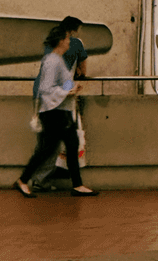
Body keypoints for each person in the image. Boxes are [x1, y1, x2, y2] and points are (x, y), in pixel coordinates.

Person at [16, 25, 98, 198]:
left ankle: (76, 184)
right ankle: (24, 180)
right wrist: (67, 91)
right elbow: (47, 88)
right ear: (61, 41)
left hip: (58, 111)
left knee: (63, 145)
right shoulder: (53, 61)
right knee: (51, 148)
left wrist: (73, 86)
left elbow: (59, 84)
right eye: (67, 39)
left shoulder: (55, 60)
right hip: (56, 112)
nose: (69, 42)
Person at [30, 15, 89, 191]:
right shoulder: (76, 43)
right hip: (60, 98)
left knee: (48, 142)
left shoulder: (52, 44)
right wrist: (73, 85)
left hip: (40, 93)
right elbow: (82, 71)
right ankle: (37, 180)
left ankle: (38, 179)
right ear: (73, 30)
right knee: (55, 143)